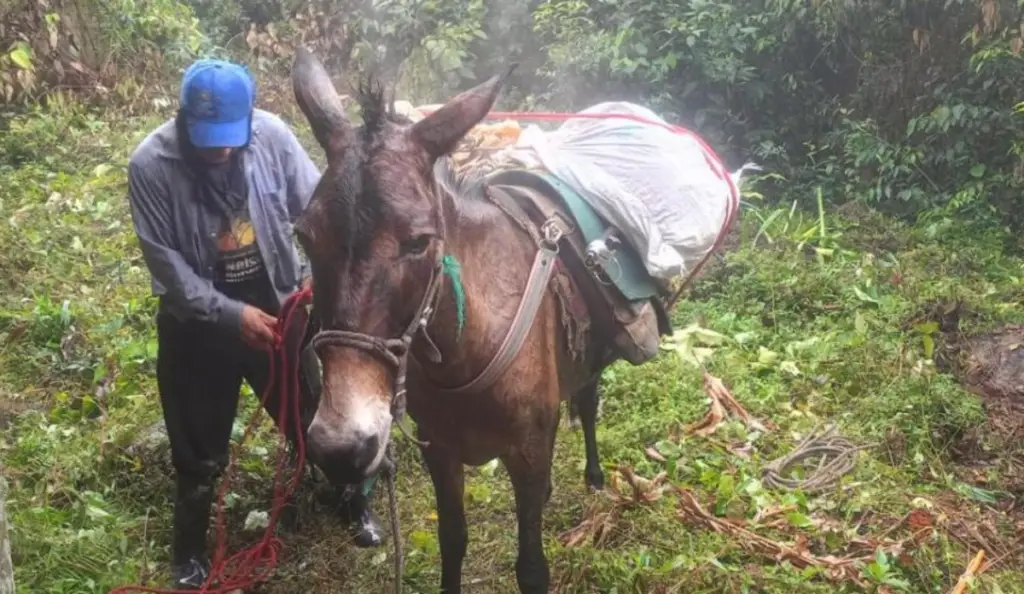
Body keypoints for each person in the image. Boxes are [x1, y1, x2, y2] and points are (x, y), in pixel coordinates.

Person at [125, 58, 384, 589]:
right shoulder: (150, 165)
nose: (219, 150)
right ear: (183, 120)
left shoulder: (273, 137)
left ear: (248, 120)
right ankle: (189, 553)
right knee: (197, 448)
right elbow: (168, 269)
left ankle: (352, 501)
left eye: (229, 138)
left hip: (277, 306)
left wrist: (313, 280)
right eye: (207, 140)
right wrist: (230, 315)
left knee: (314, 414)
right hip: (196, 325)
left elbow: (319, 211)